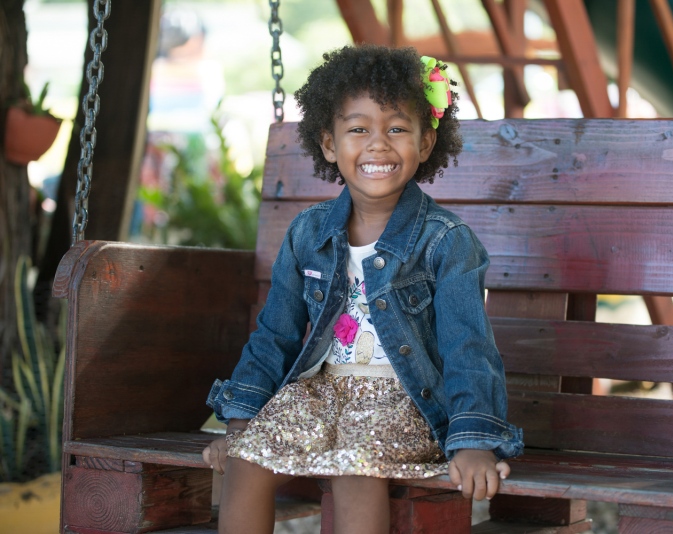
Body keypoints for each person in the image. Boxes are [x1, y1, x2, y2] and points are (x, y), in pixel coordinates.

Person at [203, 45, 523, 534]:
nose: (378, 144)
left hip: (404, 399)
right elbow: (275, 334)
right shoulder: (308, 233)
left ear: (426, 142)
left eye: (397, 128)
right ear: (330, 144)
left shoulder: (446, 241)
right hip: (319, 393)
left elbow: (469, 349)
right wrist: (241, 419)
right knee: (247, 460)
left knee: (354, 466)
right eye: (358, 129)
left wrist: (474, 440)